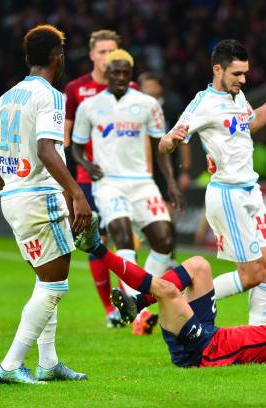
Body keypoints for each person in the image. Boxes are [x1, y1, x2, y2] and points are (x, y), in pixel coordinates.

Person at [159, 39, 266, 325]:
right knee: (251, 275)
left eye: (245, 73)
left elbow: (250, 124)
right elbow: (165, 142)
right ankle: (184, 299)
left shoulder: (237, 97)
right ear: (218, 69)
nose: (243, 79)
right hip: (228, 194)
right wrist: (170, 141)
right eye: (237, 73)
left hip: (251, 191)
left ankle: (257, 334)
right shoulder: (203, 103)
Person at [73, 218, 266, 368]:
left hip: (201, 351)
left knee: (167, 290)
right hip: (209, 334)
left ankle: (96, 247)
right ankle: (137, 302)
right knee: (199, 266)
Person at [0, 24, 91, 384]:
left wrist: (8, 189)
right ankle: (11, 365)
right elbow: (47, 149)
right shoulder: (51, 96)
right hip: (39, 197)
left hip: (13, 197)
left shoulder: (7, 97)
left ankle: (48, 361)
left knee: (45, 280)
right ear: (57, 58)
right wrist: (77, 194)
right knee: (55, 286)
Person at [72, 49, 183, 335]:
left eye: (125, 73)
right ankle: (140, 316)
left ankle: (136, 300)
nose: (120, 77)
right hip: (109, 183)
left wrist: (169, 183)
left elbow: (161, 148)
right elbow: (74, 146)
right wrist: (86, 163)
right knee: (123, 238)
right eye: (115, 72)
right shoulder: (90, 106)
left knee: (165, 239)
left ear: (130, 74)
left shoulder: (147, 104)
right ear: (107, 74)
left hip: (142, 182)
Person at [63, 29, 125, 328]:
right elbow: (66, 138)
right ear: (91, 55)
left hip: (124, 177)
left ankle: (133, 303)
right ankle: (111, 311)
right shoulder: (76, 89)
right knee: (96, 241)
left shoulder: (129, 87)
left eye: (112, 51)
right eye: (102, 52)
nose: (107, 57)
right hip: (88, 178)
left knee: (127, 238)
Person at [138, 72, 192, 217]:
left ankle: (167, 229)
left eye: (152, 86)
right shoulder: (135, 108)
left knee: (168, 205)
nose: (149, 90)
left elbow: (184, 141)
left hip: (167, 163)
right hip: (141, 165)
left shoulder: (173, 105)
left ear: (160, 87)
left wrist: (185, 171)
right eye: (145, 87)